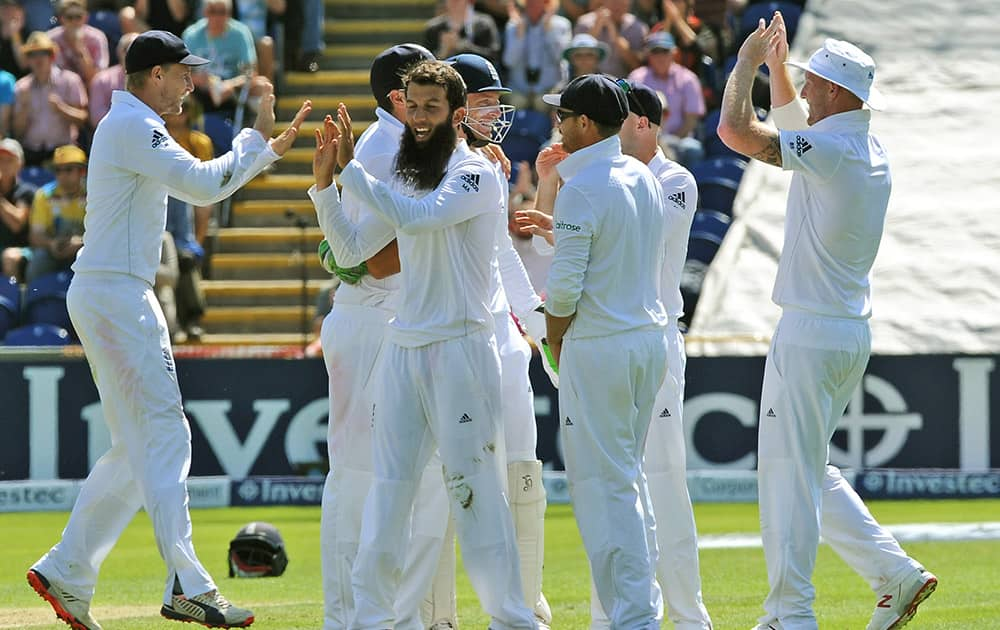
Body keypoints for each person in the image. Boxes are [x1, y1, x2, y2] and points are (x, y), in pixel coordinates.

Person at [25, 29, 310, 630]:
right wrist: (258, 138)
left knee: (136, 450)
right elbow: (204, 185)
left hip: (114, 293)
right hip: (118, 296)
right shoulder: (133, 124)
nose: (191, 82)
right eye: (183, 73)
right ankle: (188, 585)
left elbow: (205, 183)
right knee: (166, 437)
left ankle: (67, 569)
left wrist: (264, 148)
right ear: (154, 74)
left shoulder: (128, 123)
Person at [716, 13, 937, 630]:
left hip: (812, 331)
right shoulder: (861, 147)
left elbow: (737, 132)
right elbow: (795, 124)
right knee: (807, 468)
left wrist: (747, 65)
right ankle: (893, 574)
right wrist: (782, 69)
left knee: (787, 474)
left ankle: (790, 614)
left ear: (837, 93)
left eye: (813, 82)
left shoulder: (834, 149)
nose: (804, 91)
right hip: (842, 330)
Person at [314, 60, 537, 630]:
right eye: (411, 106)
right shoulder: (407, 176)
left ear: (457, 116)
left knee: (473, 487)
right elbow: (353, 253)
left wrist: (352, 174)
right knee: (390, 490)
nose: (416, 119)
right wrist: (323, 189)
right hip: (406, 346)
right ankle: (371, 620)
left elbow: (420, 219)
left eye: (430, 108)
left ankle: (514, 619)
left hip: (462, 347)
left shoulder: (475, 173)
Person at [308, 43, 461, 630]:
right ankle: (348, 618)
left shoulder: (406, 144)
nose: (436, 99)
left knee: (415, 480)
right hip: (373, 321)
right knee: (360, 478)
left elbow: (347, 252)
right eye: (424, 92)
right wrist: (444, 236)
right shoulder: (383, 145)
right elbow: (372, 258)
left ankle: (393, 617)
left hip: (392, 321)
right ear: (400, 97)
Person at [541, 73, 667, 630]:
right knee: (627, 480)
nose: (558, 124)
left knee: (603, 488)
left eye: (563, 116)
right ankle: (639, 611)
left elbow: (565, 291)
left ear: (584, 123)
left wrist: (553, 339)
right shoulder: (641, 176)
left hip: (602, 346)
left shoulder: (584, 187)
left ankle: (634, 618)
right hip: (645, 339)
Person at [430, 52, 551, 629]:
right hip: (448, 338)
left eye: (495, 101)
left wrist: (539, 324)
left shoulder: (490, 167)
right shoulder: (424, 163)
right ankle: (439, 616)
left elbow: (503, 254)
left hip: (500, 336)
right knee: (447, 479)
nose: (495, 112)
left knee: (523, 470)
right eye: (483, 100)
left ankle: (528, 604)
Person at [614, 79, 712, 630]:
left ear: (644, 125)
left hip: (659, 337)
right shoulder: (610, 178)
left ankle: (689, 616)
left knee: (666, 476)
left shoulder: (676, 180)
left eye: (618, 122)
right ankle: (630, 612)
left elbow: (645, 235)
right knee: (621, 480)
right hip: (616, 338)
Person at [627, 31, 705, 166]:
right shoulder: (636, 78)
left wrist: (670, 140)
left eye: (665, 51)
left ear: (674, 53)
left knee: (693, 149)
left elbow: (691, 120)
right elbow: (630, 116)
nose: (660, 57)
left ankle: (691, 186)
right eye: (655, 52)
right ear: (648, 55)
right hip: (643, 139)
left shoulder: (688, 79)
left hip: (679, 139)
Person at [12, 31, 89, 167]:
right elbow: (17, 132)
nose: (38, 59)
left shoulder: (69, 81)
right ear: (28, 59)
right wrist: (24, 107)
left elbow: (83, 119)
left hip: (64, 152)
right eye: (32, 54)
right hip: (32, 153)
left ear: (52, 56)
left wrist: (62, 109)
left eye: (43, 53)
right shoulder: (21, 87)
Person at [181, 0, 265, 113]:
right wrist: (201, 80)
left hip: (232, 87)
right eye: (212, 11)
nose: (217, 17)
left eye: (222, 12)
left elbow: (251, 71)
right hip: (198, 89)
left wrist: (230, 85)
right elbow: (181, 71)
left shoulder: (240, 33)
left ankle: (255, 127)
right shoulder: (192, 35)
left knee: (262, 86)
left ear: (229, 13)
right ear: (205, 12)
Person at [25, 144, 88, 282]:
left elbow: (103, 233)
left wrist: (82, 242)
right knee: (39, 259)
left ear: (82, 171)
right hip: (52, 251)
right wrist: (51, 244)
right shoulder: (44, 195)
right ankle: (31, 300)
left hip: (86, 250)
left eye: (68, 169)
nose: (62, 175)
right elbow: (35, 236)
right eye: (58, 170)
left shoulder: (93, 195)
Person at [502, 0, 571, 112]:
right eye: (529, 2)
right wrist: (520, 36)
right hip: (519, 88)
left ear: (547, 4)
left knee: (542, 103)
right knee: (517, 102)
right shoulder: (514, 25)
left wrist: (550, 31)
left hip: (548, 88)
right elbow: (509, 61)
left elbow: (561, 58)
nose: (532, 5)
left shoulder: (561, 25)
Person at [573, 0, 647, 79]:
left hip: (622, 83)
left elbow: (637, 66)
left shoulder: (637, 27)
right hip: (590, 81)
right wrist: (596, 27)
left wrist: (615, 37)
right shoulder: (585, 23)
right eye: (613, 2)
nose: (617, 6)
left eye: (622, 3)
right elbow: (578, 55)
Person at [47, 0, 111, 87]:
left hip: (91, 89)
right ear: (61, 18)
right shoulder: (51, 39)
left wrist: (80, 48)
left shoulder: (97, 38)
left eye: (78, 17)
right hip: (61, 89)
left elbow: (97, 78)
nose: (74, 22)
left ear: (86, 17)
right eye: (69, 17)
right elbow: (50, 74)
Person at [423, 0, 501, 65]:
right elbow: (425, 62)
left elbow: (493, 56)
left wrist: (461, 46)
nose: (454, 2)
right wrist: (442, 52)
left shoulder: (484, 23)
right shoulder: (433, 28)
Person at [0, 138, 35, 280]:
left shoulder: (27, 192)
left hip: (22, 249)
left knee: (10, 257)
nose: (4, 164)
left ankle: (14, 300)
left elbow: (17, 224)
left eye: (9, 160)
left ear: (20, 164)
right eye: (1, 160)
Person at [89, 31, 138, 127]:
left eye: (137, 50)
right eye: (126, 49)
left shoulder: (154, 80)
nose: (132, 54)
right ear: (119, 52)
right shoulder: (101, 80)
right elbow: (96, 117)